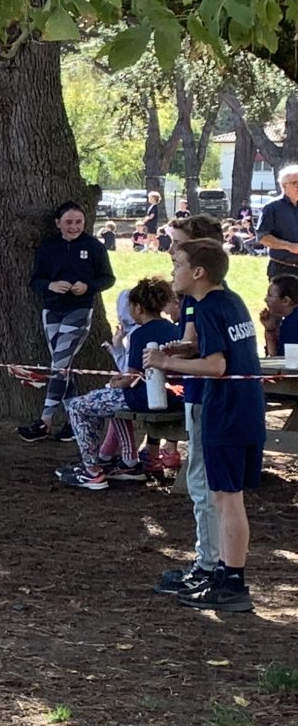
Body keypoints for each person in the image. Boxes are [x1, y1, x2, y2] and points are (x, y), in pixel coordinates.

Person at [145, 240, 263, 613]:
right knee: (227, 499)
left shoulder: (208, 306)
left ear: (198, 272)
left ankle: (233, 583)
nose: (172, 271)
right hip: (247, 408)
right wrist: (183, 351)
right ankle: (224, 574)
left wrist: (165, 363)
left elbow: (217, 366)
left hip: (226, 411)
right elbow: (220, 351)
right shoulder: (231, 301)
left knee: (226, 499)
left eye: (178, 264)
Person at [55, 278, 182, 489]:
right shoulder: (174, 330)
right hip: (173, 397)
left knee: (78, 405)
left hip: (143, 397)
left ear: (138, 308)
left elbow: (132, 377)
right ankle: (118, 460)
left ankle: (91, 469)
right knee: (105, 403)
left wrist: (115, 384)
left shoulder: (140, 334)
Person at [19, 200, 114, 441]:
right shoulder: (48, 247)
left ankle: (45, 421)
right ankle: (75, 422)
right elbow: (36, 280)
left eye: (78, 222)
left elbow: (108, 278)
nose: (74, 227)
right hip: (52, 309)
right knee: (62, 366)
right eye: (69, 222)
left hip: (79, 310)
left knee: (60, 365)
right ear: (58, 223)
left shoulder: (94, 246)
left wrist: (88, 286)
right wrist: (51, 285)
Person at [251, 163, 298, 283]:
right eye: (296, 183)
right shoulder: (272, 208)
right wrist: (289, 246)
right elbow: (262, 237)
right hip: (283, 269)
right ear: (284, 186)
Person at [261, 275, 298, 358]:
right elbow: (276, 358)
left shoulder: (292, 324)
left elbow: (283, 361)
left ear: (285, 301)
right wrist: (270, 330)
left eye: (269, 296)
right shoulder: (290, 320)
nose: (265, 299)